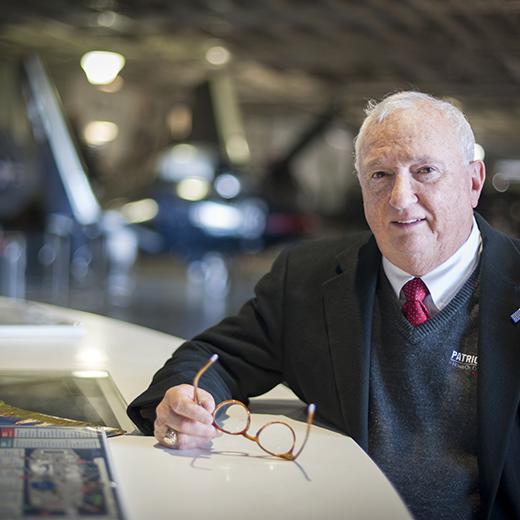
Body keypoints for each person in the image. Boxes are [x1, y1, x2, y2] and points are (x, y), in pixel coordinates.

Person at [127, 92, 519, 519]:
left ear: (474, 181)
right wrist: (187, 397)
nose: (401, 198)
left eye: (425, 171)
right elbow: (214, 358)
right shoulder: (308, 279)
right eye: (380, 175)